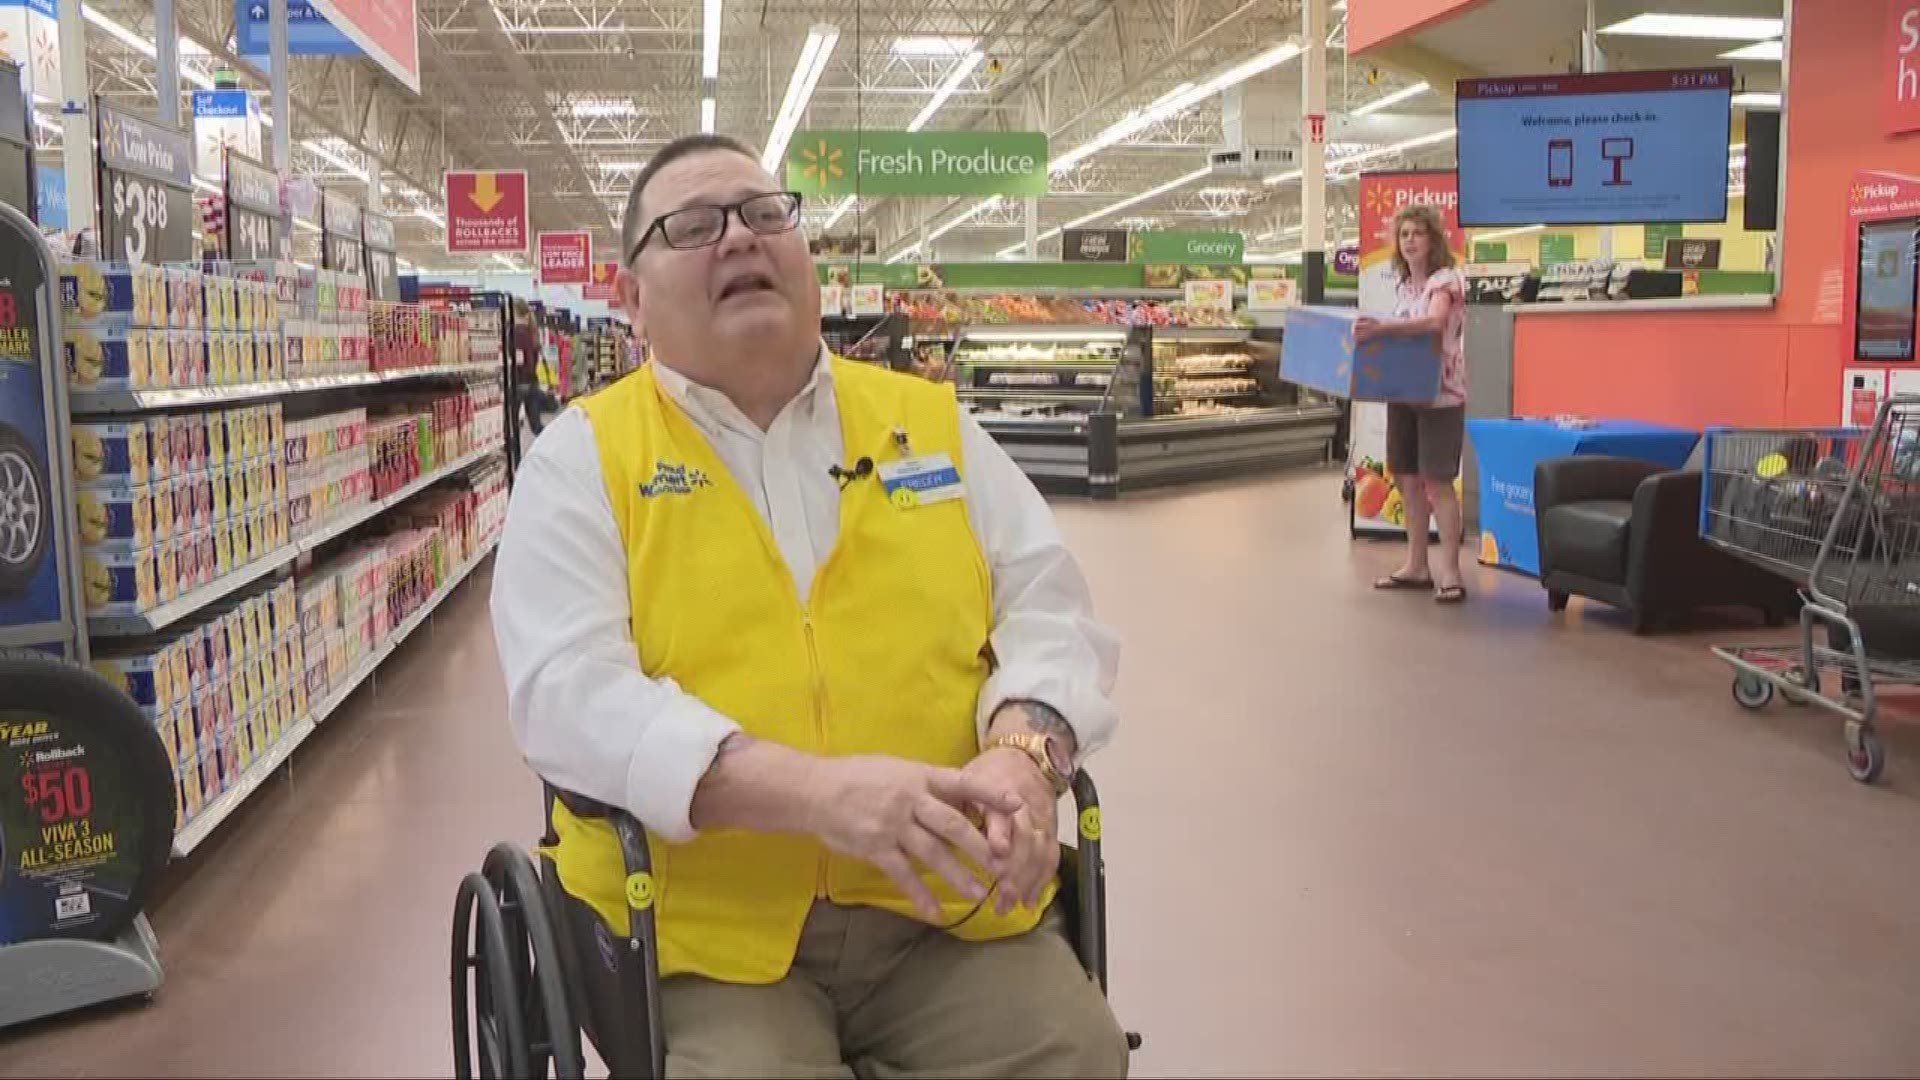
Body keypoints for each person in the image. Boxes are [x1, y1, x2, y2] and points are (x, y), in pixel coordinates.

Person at [489, 133, 1128, 1078]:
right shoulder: (583, 461)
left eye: (763, 214)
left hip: (939, 910)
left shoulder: (934, 424)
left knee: (1077, 1053)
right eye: (694, 226)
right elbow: (566, 694)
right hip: (703, 936)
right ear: (630, 298)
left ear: (804, 252)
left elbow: (1049, 608)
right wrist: (821, 797)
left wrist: (1028, 757)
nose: (740, 240)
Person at [1357, 203, 1470, 605]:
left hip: (1440, 394)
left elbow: (1434, 323)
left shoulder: (1446, 280)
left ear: (1433, 239)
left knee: (1438, 480)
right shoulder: (1404, 287)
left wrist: (1383, 327)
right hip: (1403, 392)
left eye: (1417, 233)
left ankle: (1451, 572)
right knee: (1406, 478)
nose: (1409, 241)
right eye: (1404, 235)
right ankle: (1416, 564)